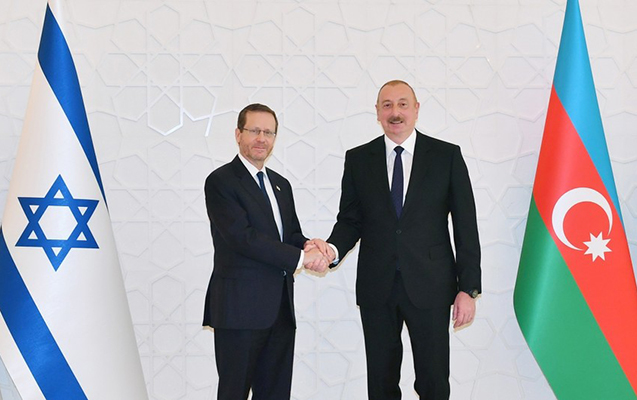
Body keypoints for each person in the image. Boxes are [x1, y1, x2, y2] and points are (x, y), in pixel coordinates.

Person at [309, 80, 481, 399]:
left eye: (403, 104)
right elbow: (350, 220)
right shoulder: (359, 159)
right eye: (387, 105)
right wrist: (330, 249)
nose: (395, 112)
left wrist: (468, 289)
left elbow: (466, 227)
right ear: (377, 112)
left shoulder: (446, 156)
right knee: (381, 384)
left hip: (431, 286)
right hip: (377, 287)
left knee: (433, 382)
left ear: (416, 109)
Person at [203, 103, 328, 400]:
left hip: (280, 310)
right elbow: (242, 238)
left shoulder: (281, 185)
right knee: (233, 393)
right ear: (238, 134)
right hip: (239, 310)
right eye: (255, 131)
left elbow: (289, 234)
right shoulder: (221, 181)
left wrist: (310, 245)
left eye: (269, 132)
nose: (262, 138)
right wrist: (302, 258)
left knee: (276, 394)